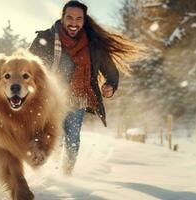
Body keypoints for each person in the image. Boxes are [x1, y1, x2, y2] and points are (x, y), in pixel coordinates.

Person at [29, 1, 141, 175]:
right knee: (53, 137)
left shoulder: (93, 45)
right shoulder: (46, 39)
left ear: (84, 20)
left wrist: (110, 85)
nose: (74, 22)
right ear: (62, 17)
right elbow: (27, 67)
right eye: (70, 17)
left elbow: (111, 71)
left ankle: (66, 175)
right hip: (51, 100)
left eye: (78, 18)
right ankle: (50, 173)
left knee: (72, 139)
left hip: (78, 99)